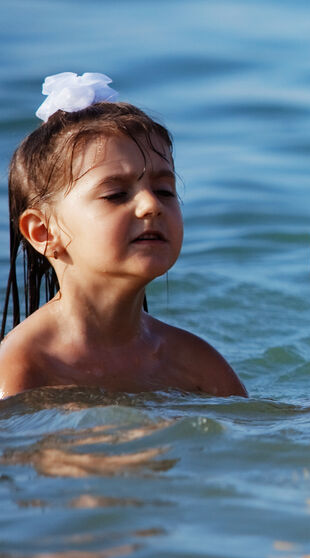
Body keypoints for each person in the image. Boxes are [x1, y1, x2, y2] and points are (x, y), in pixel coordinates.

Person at [0, 73, 245, 398]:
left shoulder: (194, 363)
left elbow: (263, 431)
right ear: (44, 232)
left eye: (164, 190)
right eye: (116, 194)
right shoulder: (21, 369)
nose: (150, 205)